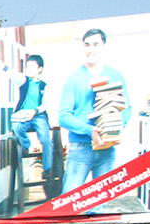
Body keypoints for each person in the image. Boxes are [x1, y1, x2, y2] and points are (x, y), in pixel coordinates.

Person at [58, 28, 129, 193]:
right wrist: (90, 131)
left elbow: (127, 108)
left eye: (96, 44)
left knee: (100, 204)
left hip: (107, 148)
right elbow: (63, 117)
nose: (91, 49)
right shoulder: (74, 78)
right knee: (69, 202)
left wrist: (114, 126)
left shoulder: (115, 75)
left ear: (103, 46)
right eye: (87, 45)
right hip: (80, 147)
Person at [11, 54, 53, 175]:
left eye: (32, 66)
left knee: (46, 139)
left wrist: (35, 111)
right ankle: (25, 145)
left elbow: (46, 104)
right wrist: (2, 65)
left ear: (40, 69)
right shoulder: (23, 81)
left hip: (38, 115)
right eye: (27, 66)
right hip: (23, 115)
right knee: (16, 127)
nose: (28, 69)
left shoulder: (44, 85)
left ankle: (48, 168)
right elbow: (11, 74)